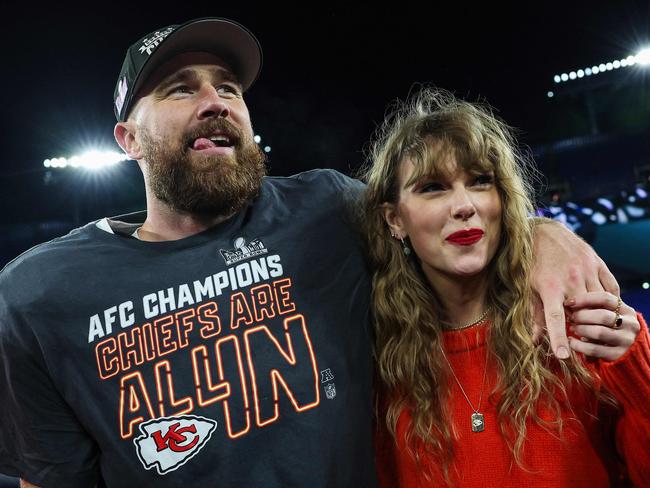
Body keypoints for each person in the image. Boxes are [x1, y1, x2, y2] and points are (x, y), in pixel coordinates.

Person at [0, 17, 619, 488]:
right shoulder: (39, 294)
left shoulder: (327, 208)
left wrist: (542, 234)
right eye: (179, 89)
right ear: (127, 139)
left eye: (229, 88)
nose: (216, 100)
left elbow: (444, 214)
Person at [363, 88, 650, 487]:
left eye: (480, 181)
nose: (464, 205)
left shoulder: (578, 325)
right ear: (395, 220)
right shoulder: (378, 366)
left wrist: (638, 372)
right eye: (433, 187)